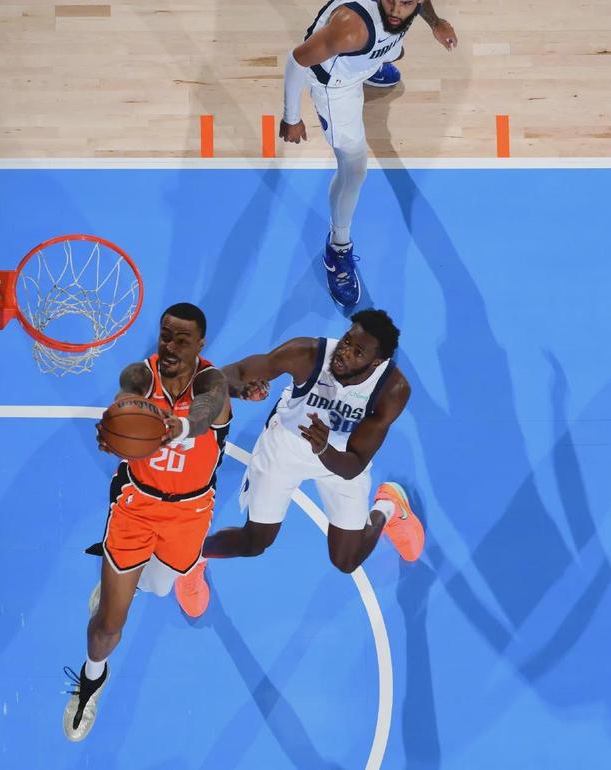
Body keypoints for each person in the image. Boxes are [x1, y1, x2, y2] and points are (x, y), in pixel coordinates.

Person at [63, 302, 231, 741]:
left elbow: (205, 412)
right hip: (136, 506)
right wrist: (116, 428)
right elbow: (126, 399)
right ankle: (91, 679)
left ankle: (134, 583)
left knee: (157, 587)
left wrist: (176, 428)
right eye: (165, 335)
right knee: (107, 626)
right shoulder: (141, 374)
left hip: (189, 513)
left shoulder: (212, 382)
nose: (171, 346)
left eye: (182, 339)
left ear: (200, 344)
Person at [202, 308, 424, 572]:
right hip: (285, 446)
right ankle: (190, 559)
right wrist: (240, 389)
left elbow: (354, 465)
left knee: (346, 561)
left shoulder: (392, 390)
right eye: (346, 341)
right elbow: (232, 372)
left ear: (376, 363)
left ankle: (388, 506)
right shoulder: (307, 354)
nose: (344, 352)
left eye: (357, 352)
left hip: (341, 457)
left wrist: (323, 449)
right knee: (254, 541)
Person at [279, 0, 457, 307]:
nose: (396, 10)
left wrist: (435, 22)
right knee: (354, 168)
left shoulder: (397, 13)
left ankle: (369, 62)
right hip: (336, 86)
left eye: (406, 2)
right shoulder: (350, 29)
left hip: (362, 53)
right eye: (390, 0)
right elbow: (297, 60)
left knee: (395, 50)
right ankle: (338, 248)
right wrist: (291, 117)